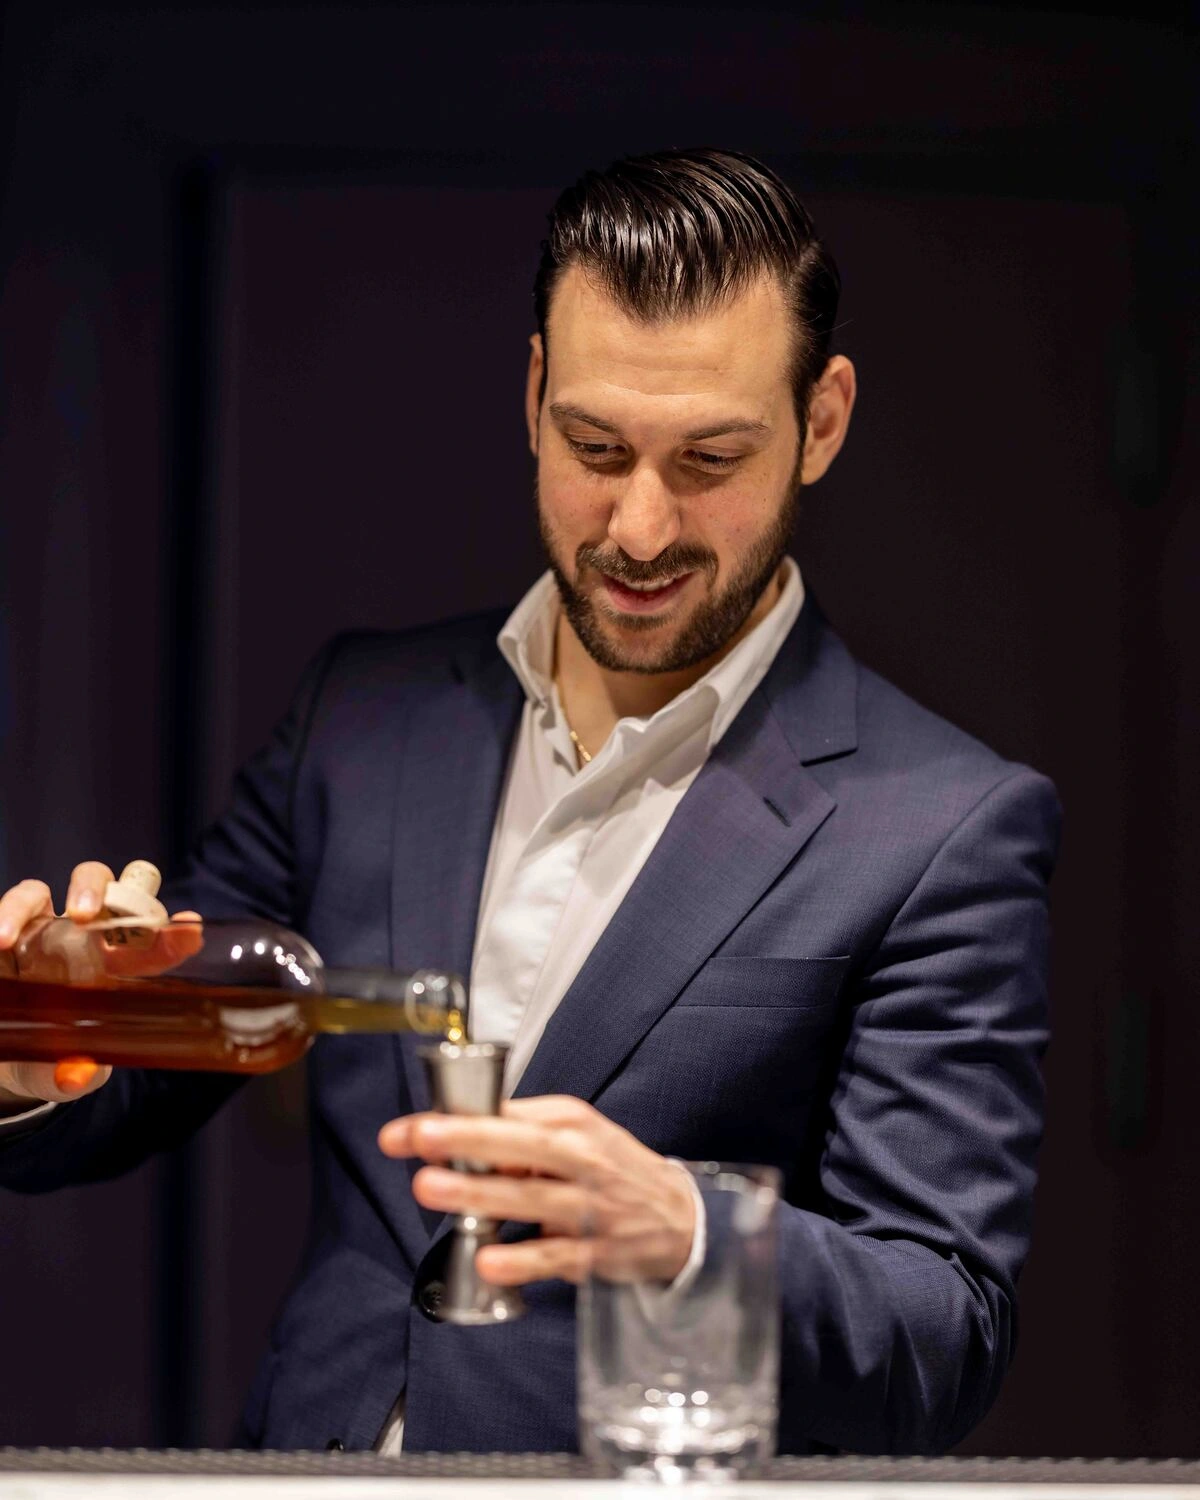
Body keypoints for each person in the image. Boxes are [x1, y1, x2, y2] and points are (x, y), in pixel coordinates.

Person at [0, 148, 1060, 1455]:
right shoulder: (363, 715)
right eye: (595, 446)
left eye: (711, 457)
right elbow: (129, 1084)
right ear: (533, 391)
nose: (639, 527)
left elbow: (943, 1331)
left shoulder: (944, 824)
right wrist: (38, 1052)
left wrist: (685, 1231)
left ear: (823, 421)